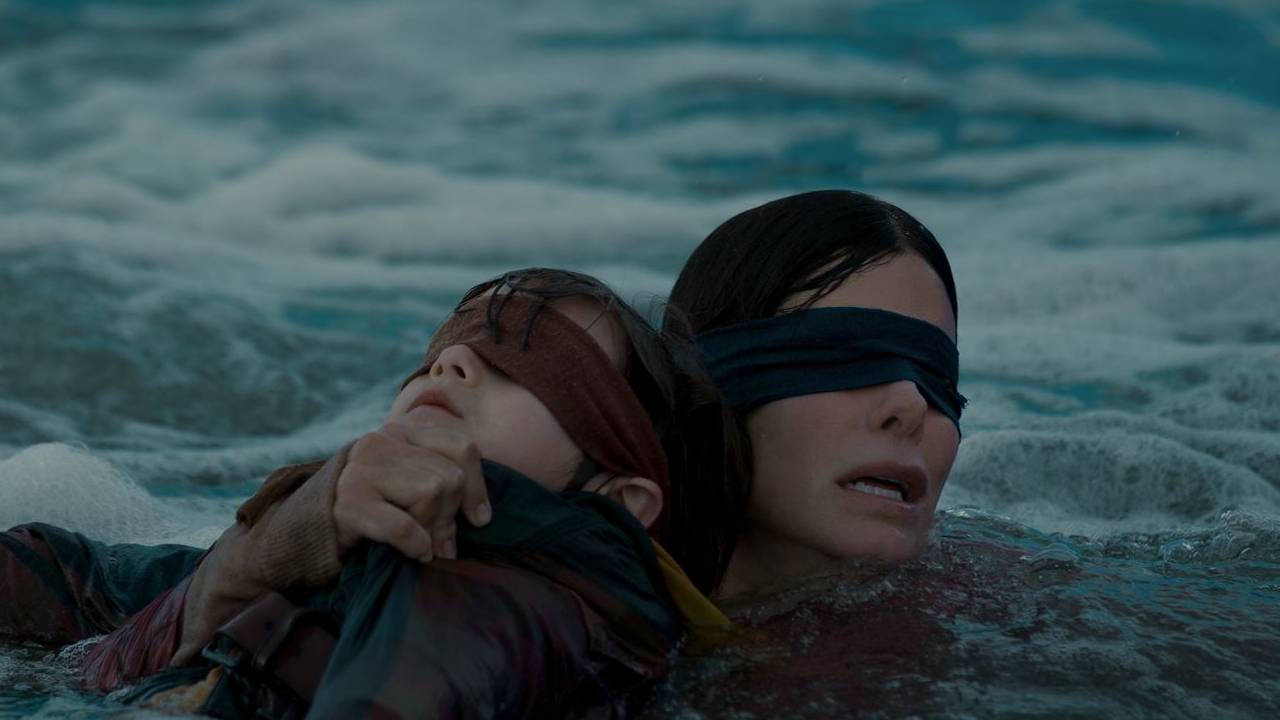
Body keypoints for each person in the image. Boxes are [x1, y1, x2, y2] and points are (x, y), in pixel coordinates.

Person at [3, 268, 746, 718]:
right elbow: (56, 575)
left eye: (532, 360)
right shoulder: (356, 550)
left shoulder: (493, 593)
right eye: (443, 349)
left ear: (620, 500)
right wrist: (285, 537)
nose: (451, 363)